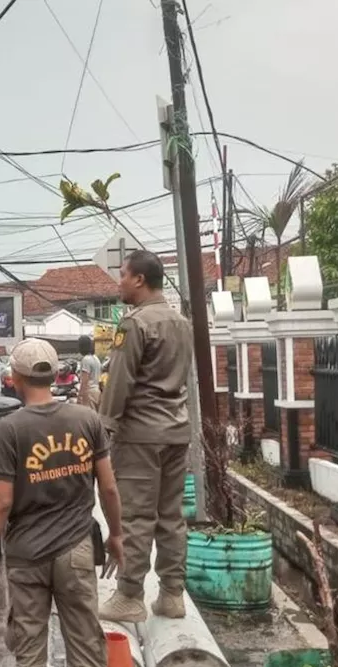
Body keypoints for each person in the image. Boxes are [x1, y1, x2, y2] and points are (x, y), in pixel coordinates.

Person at [0, 338, 124, 667]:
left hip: (26, 557)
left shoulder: (8, 430)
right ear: (55, 374)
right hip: (76, 550)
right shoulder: (86, 420)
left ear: (16, 379)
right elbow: (108, 486)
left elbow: (2, 501)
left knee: (31, 654)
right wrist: (117, 535)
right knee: (87, 653)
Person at [97, 250, 195, 624]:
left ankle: (129, 595)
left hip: (140, 434)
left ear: (139, 279)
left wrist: (103, 428)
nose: (118, 282)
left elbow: (119, 382)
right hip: (176, 430)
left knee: (136, 515)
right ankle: (172, 593)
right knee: (171, 515)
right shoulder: (181, 322)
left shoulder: (134, 324)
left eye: (122, 275)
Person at [77, 335, 102, 411]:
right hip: (97, 391)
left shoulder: (86, 360)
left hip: (89, 392)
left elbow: (85, 381)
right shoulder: (96, 358)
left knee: (89, 417)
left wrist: (80, 396)